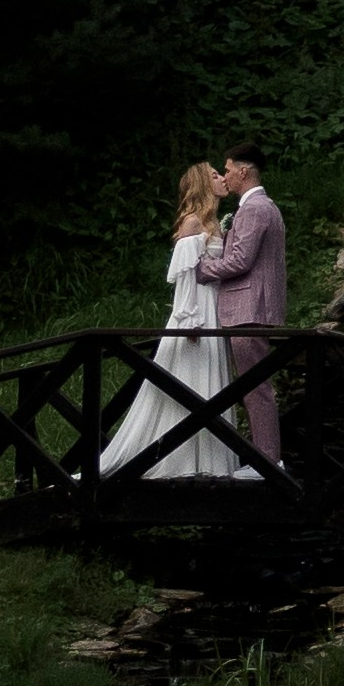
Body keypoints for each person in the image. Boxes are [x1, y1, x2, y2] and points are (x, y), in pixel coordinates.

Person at [100, 163, 243, 479]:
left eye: (222, 173)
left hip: (215, 309)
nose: (222, 178)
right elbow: (186, 279)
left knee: (210, 384)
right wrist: (189, 319)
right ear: (203, 186)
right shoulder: (193, 224)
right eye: (215, 176)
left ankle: (210, 460)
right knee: (187, 381)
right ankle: (178, 458)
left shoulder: (217, 224)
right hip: (196, 312)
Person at [201, 139, 288, 467]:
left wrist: (202, 270)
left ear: (244, 170)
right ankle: (265, 460)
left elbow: (240, 261)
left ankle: (268, 463)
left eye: (228, 170)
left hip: (248, 309)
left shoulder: (254, 208)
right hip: (251, 308)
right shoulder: (263, 206)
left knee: (256, 388)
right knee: (253, 387)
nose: (226, 176)